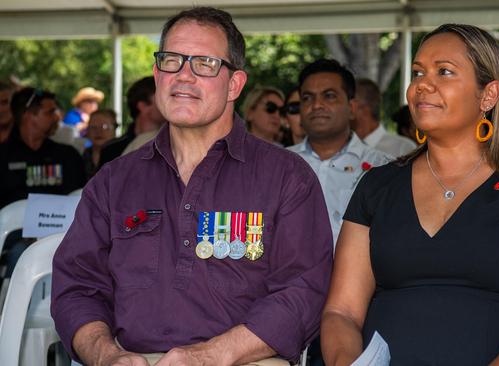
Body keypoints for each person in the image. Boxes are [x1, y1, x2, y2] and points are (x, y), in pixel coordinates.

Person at [51, 7, 332, 366]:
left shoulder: (287, 177)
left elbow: (303, 291)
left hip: (244, 359)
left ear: (234, 84)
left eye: (204, 64)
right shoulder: (113, 181)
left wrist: (209, 356)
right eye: (172, 60)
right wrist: (106, 355)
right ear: (156, 74)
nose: (183, 76)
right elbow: (76, 286)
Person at [321, 24, 499, 365]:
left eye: (444, 72)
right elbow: (341, 312)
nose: (421, 85)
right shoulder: (378, 185)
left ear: (488, 95)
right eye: (417, 72)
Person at [288, 59, 391, 247]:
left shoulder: (383, 168)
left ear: (352, 108)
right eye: (307, 98)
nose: (317, 105)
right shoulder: (280, 164)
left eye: (329, 96)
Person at [0, 87, 86, 208]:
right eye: (50, 112)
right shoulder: (3, 156)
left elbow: (79, 200)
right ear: (28, 115)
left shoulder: (67, 155)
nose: (57, 118)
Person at [98, 76, 166, 167]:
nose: (168, 102)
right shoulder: (112, 150)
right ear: (142, 106)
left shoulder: (173, 143)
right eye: (161, 98)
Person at [352, 78, 416, 157]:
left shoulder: (403, 148)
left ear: (365, 111)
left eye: (349, 105)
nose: (342, 110)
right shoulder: (341, 148)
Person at [82, 109, 117, 178]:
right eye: (93, 127)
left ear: (114, 129)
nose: (98, 131)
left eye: (104, 127)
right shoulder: (82, 157)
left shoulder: (123, 155)